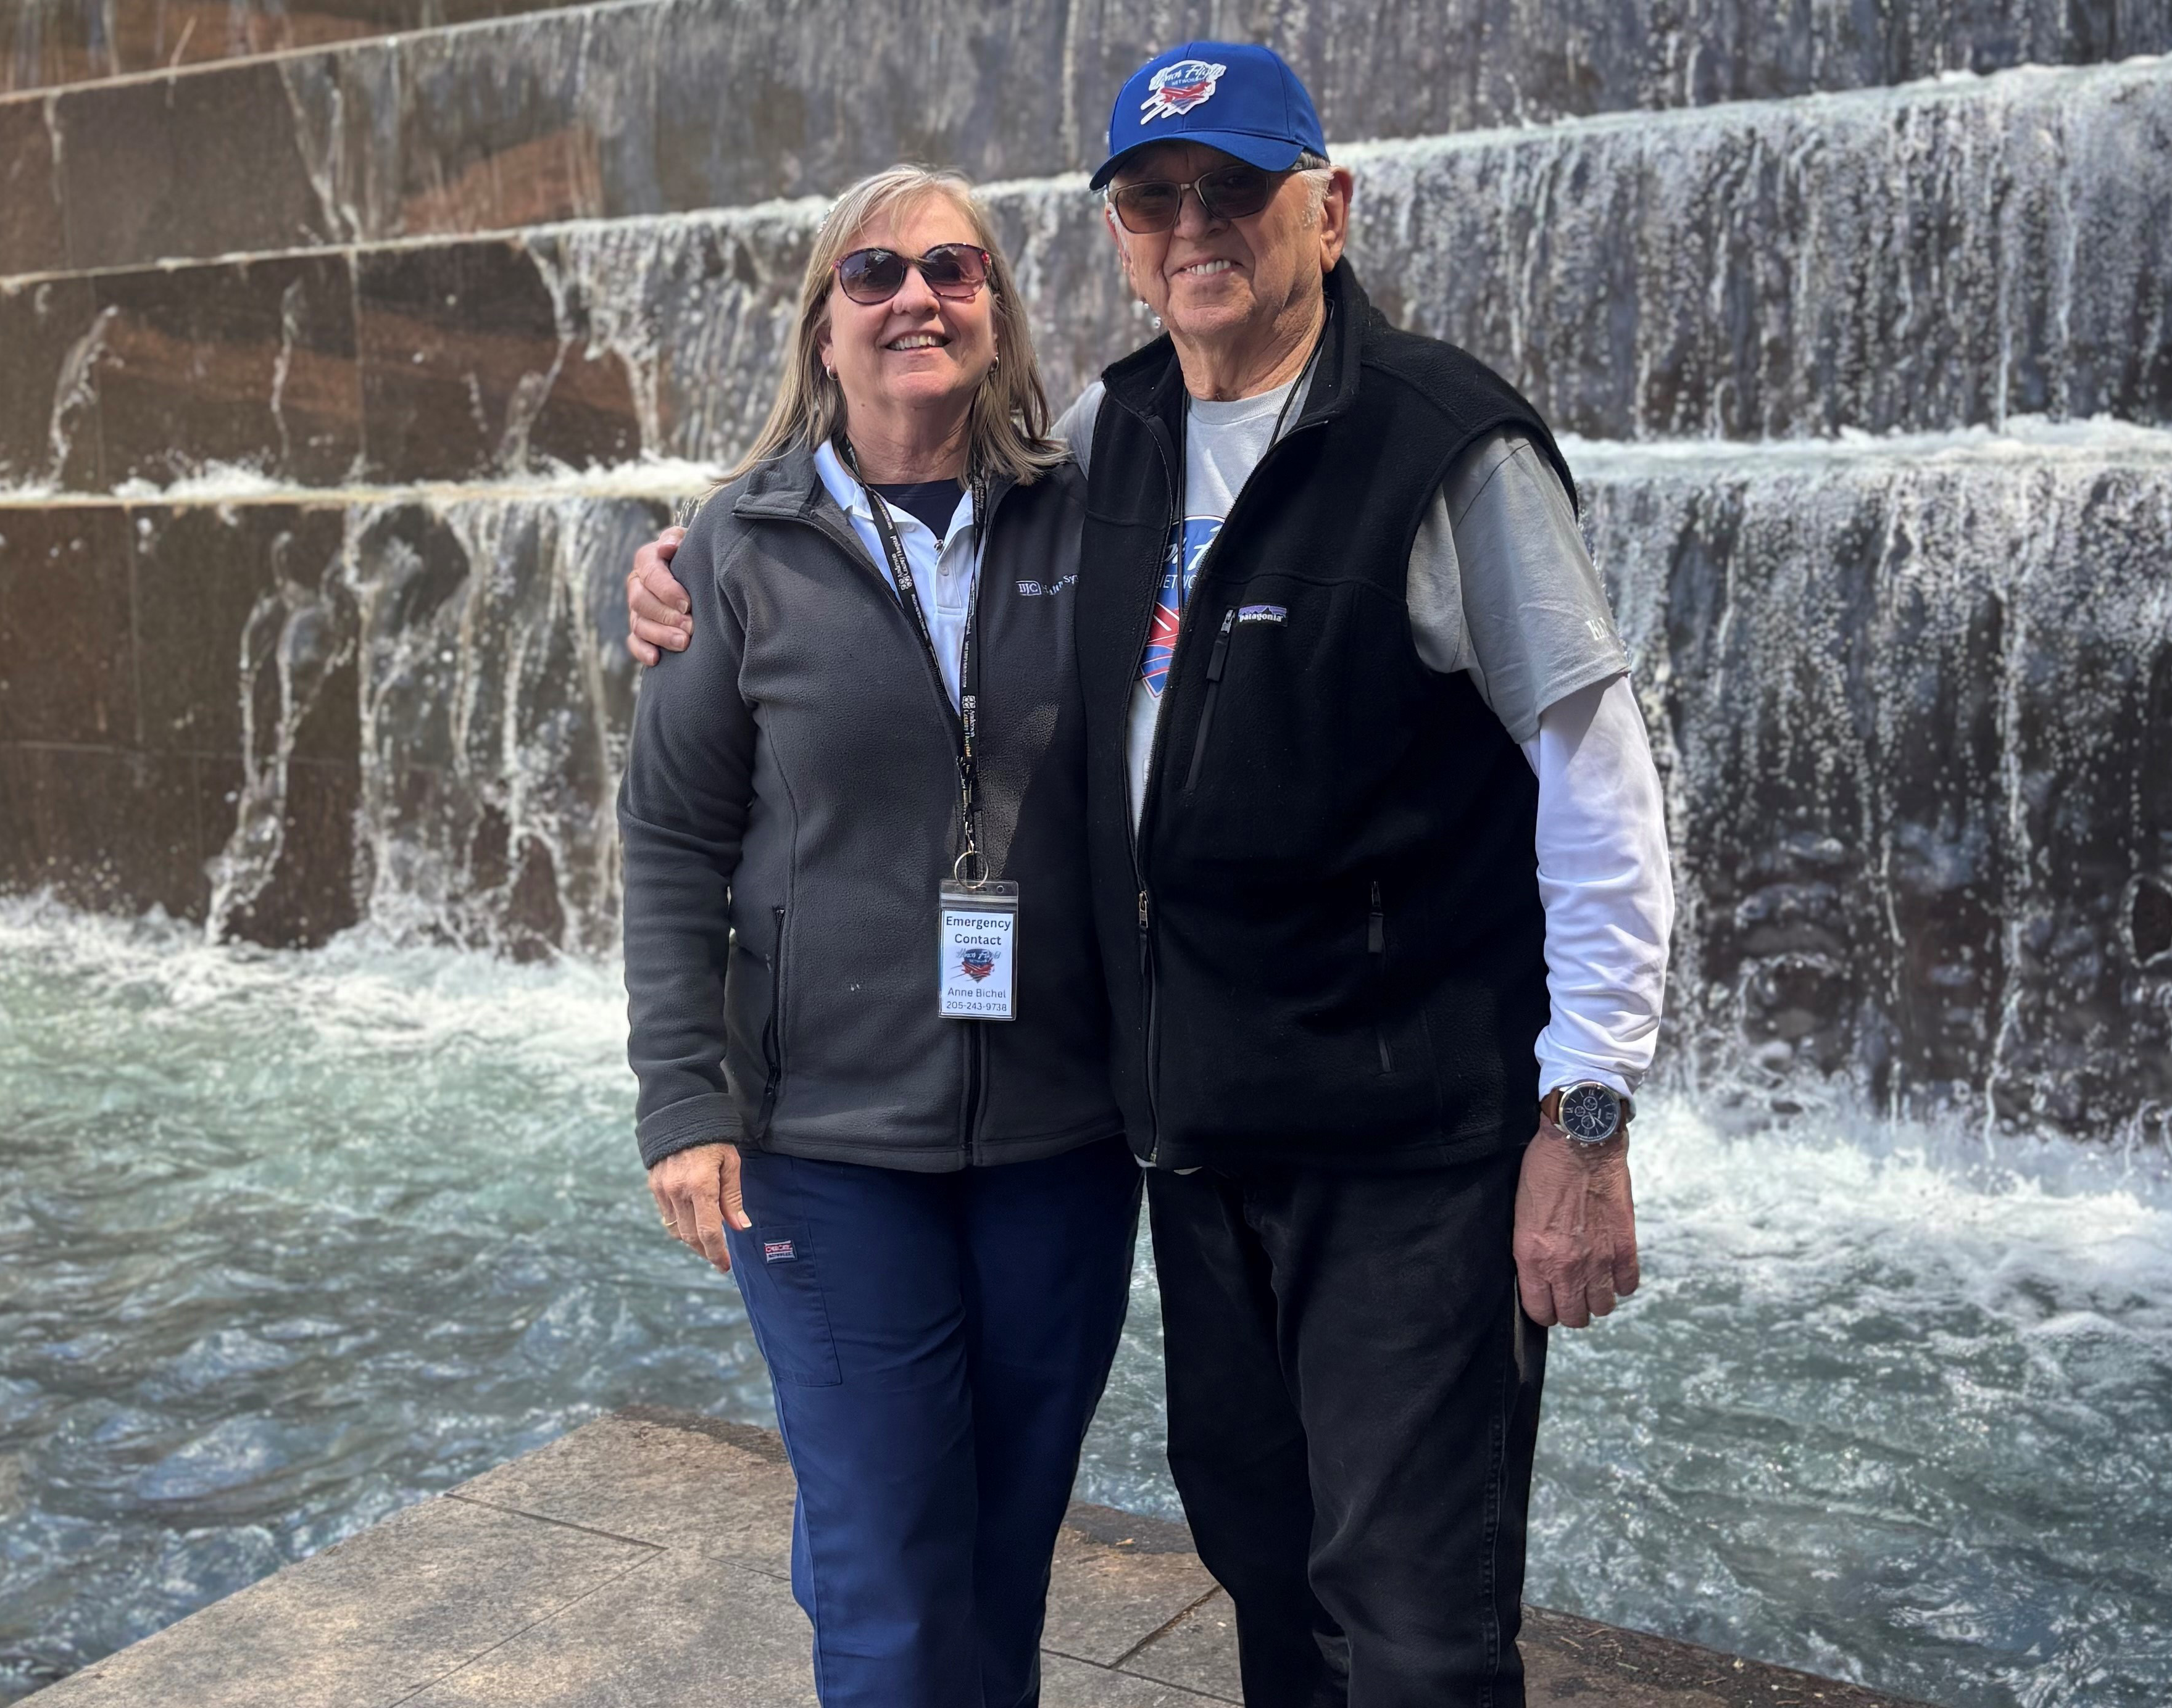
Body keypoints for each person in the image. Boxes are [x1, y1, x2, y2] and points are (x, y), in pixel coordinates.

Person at [629, 43, 1674, 1707]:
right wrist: (694, 562)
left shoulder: (1434, 447)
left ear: (1326, 210)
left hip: (1399, 1146)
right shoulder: (1109, 445)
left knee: (1411, 1617)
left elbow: (1598, 785)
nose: (1197, 226)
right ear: (1117, 234)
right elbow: (778, 706)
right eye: (1156, 198)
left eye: (1236, 190)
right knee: (1261, 1558)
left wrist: (1588, 1112)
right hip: (1187, 1147)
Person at [617, 165, 1140, 1708]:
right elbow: (670, 837)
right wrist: (682, 1098)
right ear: (823, 330)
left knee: (1002, 1549)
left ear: (994, 312)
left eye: (953, 267)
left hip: (1061, 1138)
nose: (916, 295)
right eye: (874, 275)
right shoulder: (735, 551)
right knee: (889, 1560)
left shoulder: (1086, 516)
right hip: (827, 1147)